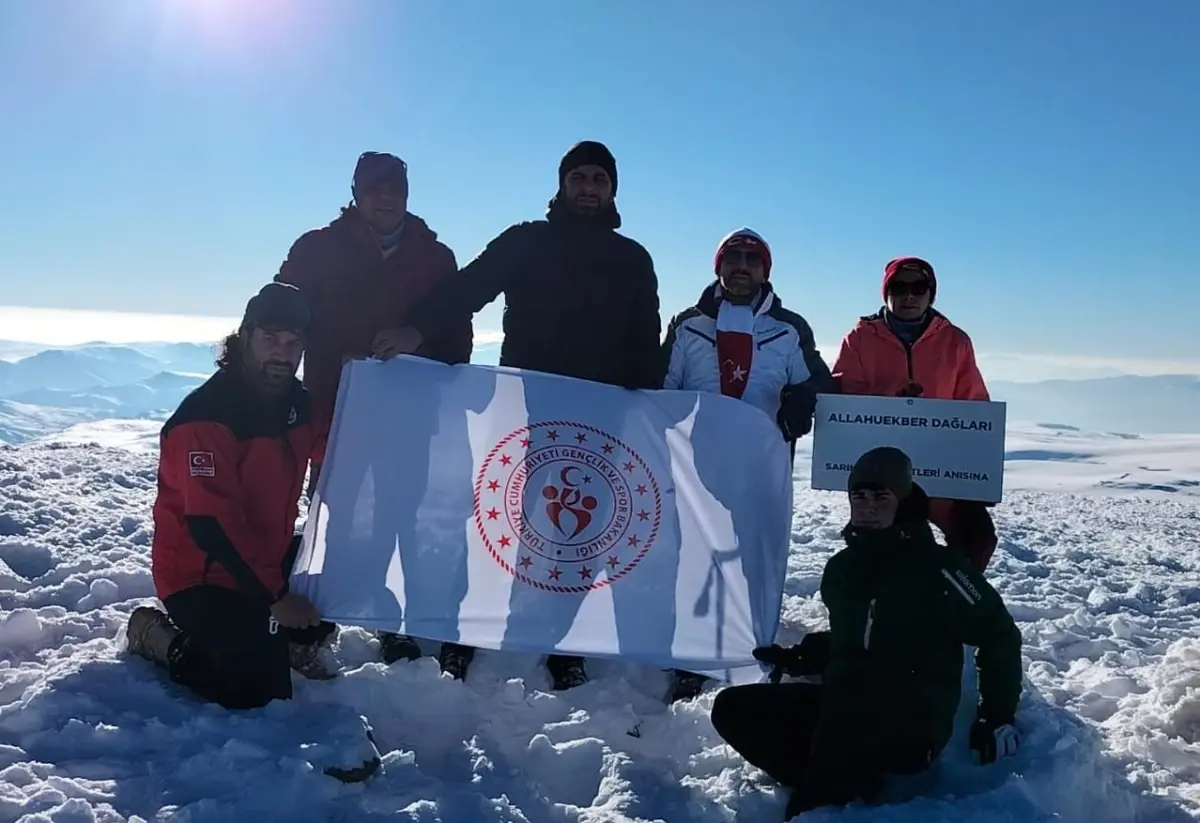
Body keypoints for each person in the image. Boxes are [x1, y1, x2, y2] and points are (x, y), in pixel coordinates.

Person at [379, 139, 663, 689]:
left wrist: (646, 400)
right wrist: (415, 331)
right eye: (578, 178)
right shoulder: (526, 241)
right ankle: (465, 633)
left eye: (598, 180)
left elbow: (644, 344)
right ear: (562, 184)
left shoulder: (633, 259)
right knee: (498, 522)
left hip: (599, 424)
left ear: (612, 191)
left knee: (581, 538)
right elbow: (466, 290)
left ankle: (566, 642)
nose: (588, 188)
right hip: (525, 413)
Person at [712, 446, 1023, 818]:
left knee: (842, 731)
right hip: (845, 708)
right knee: (732, 710)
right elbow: (853, 638)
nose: (868, 506)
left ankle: (821, 796)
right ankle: (839, 781)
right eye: (859, 496)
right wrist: (800, 657)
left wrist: (997, 717)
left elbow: (999, 635)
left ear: (903, 500)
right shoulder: (843, 569)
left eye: (881, 496)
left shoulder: (939, 570)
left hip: (910, 724)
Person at [274, 150, 475, 674]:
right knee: (332, 512)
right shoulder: (316, 249)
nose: (386, 197)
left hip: (409, 417)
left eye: (396, 187)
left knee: (398, 516)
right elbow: (282, 314)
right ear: (356, 191)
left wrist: (416, 339)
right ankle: (318, 619)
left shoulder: (435, 258)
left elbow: (459, 341)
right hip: (335, 408)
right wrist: (338, 349)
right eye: (375, 187)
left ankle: (392, 624)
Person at [126, 283, 336, 709]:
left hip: (263, 555)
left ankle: (275, 638)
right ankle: (161, 639)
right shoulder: (206, 417)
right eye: (270, 339)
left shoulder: (299, 406)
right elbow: (212, 525)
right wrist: (277, 598)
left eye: (294, 343)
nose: (282, 353)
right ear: (244, 337)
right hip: (200, 574)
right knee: (257, 689)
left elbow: (339, 451)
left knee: (337, 575)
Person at [661, 227, 834, 702]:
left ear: (765, 270)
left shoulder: (788, 328)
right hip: (700, 465)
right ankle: (692, 655)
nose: (741, 266)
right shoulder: (688, 324)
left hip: (763, 465)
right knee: (697, 555)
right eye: (732, 257)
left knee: (756, 554)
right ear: (718, 266)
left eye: (751, 259)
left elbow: (819, 381)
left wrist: (804, 398)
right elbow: (663, 388)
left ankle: (751, 642)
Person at [830, 256, 998, 572]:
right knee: (889, 544)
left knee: (978, 538)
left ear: (930, 294)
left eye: (919, 288)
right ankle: (875, 610)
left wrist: (979, 476)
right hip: (884, 476)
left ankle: (949, 606)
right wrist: (890, 400)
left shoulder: (955, 341)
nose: (909, 295)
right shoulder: (860, 338)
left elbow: (974, 405)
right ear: (886, 292)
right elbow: (844, 400)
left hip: (943, 470)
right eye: (899, 287)